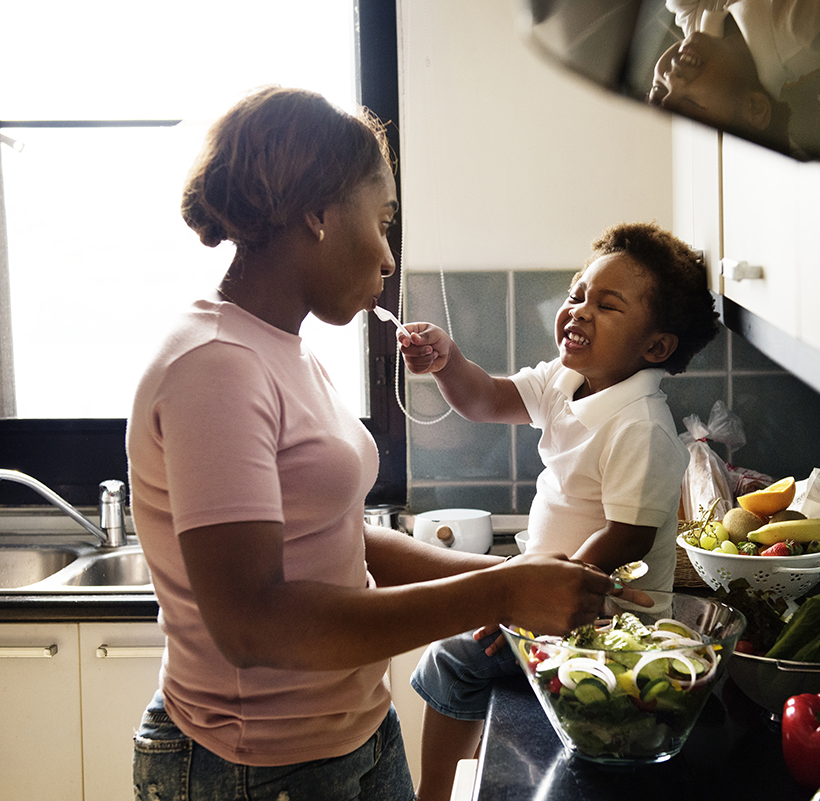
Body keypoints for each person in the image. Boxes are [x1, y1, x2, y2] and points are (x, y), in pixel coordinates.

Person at [125, 86, 625, 801]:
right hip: (253, 767)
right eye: (383, 219)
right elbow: (253, 622)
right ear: (318, 213)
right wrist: (500, 587)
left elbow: (336, 540)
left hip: (351, 732)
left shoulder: (283, 349)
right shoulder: (212, 365)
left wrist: (493, 580)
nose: (388, 257)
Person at [398, 221, 721, 801]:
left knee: (450, 657)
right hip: (546, 593)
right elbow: (487, 398)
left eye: (607, 304)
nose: (579, 311)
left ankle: (432, 795)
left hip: (603, 621)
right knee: (459, 643)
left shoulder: (640, 425)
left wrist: (528, 599)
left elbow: (626, 538)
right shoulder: (567, 378)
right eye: (577, 294)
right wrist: (449, 362)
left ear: (655, 348)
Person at [649, 0, 820, 147]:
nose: (671, 79)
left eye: (658, 89)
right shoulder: (805, 28)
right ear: (755, 107)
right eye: (689, 103)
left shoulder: (699, 25)